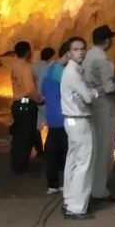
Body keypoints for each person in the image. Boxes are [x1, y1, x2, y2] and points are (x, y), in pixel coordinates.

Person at [59, 37, 97, 219]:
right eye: (76, 49)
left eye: (83, 49)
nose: (80, 52)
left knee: (73, 161)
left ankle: (69, 198)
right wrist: (95, 91)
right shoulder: (73, 73)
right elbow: (89, 97)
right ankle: (77, 207)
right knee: (84, 163)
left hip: (71, 120)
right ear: (68, 52)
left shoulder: (71, 71)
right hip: (79, 120)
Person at [84, 25, 115, 203]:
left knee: (95, 146)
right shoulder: (103, 59)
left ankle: (91, 185)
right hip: (104, 104)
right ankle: (100, 190)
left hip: (91, 103)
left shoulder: (89, 55)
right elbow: (109, 87)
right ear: (107, 41)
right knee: (105, 148)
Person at [9, 41, 43, 175]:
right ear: (28, 52)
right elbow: (30, 90)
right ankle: (22, 167)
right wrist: (39, 100)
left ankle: (16, 163)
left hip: (16, 104)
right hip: (27, 105)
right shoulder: (26, 68)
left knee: (18, 136)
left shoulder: (14, 66)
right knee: (26, 136)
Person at [41, 43, 69, 194]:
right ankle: (68, 184)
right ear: (67, 54)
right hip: (64, 118)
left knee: (52, 153)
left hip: (52, 118)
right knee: (67, 153)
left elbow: (43, 92)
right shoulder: (63, 72)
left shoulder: (48, 70)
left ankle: (52, 184)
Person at [31, 47, 56, 158]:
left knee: (36, 126)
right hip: (46, 100)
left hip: (35, 99)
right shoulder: (50, 69)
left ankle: (39, 150)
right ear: (51, 57)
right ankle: (48, 151)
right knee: (52, 127)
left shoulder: (34, 66)